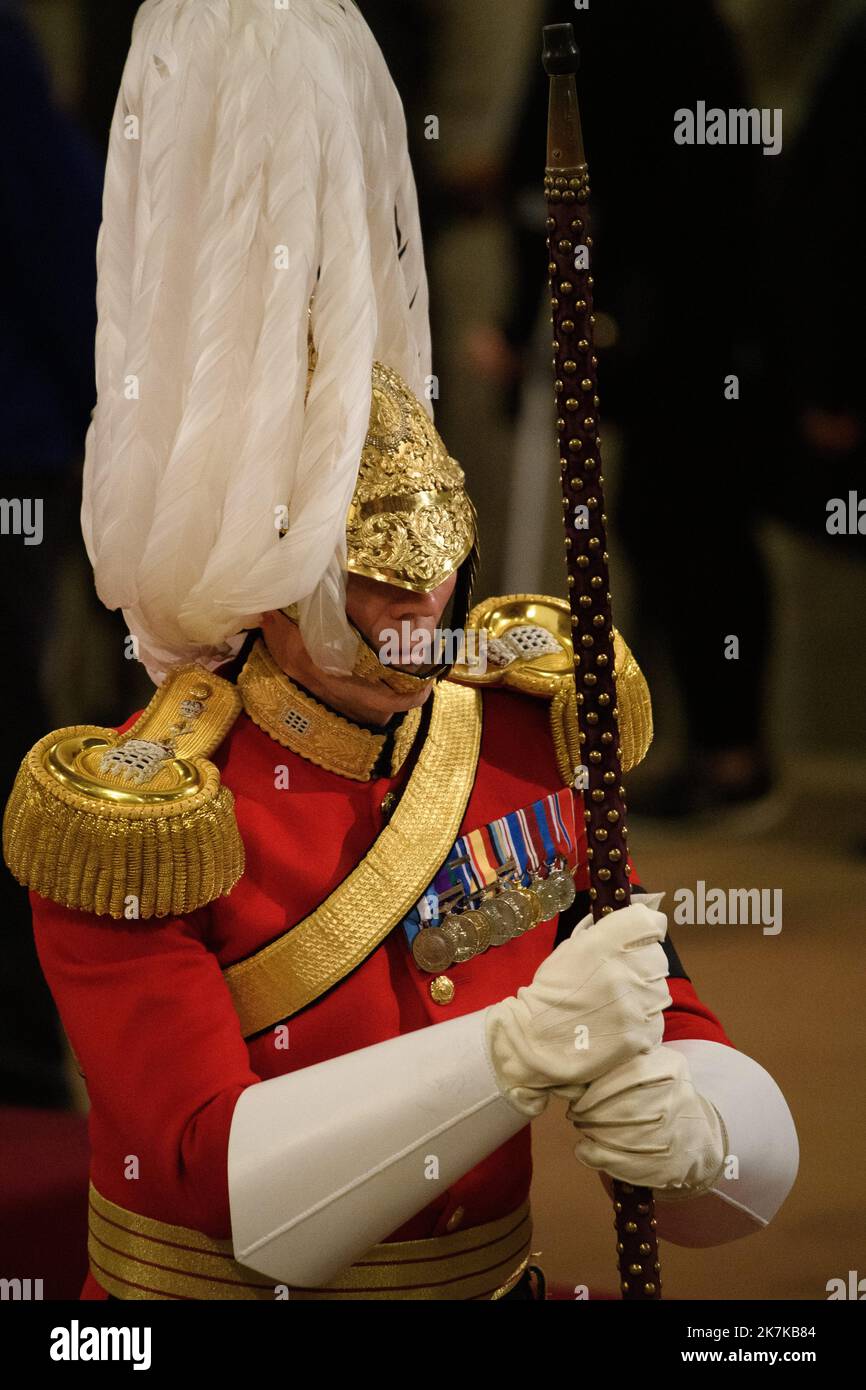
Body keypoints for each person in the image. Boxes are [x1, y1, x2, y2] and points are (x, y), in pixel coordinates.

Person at [2, 0, 797, 1301]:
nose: (416, 615)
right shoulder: (139, 813)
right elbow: (231, 1189)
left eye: (430, 570)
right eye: (367, 583)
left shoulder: (523, 736)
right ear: (261, 580)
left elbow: (693, 1076)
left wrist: (701, 1122)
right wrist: (511, 1056)